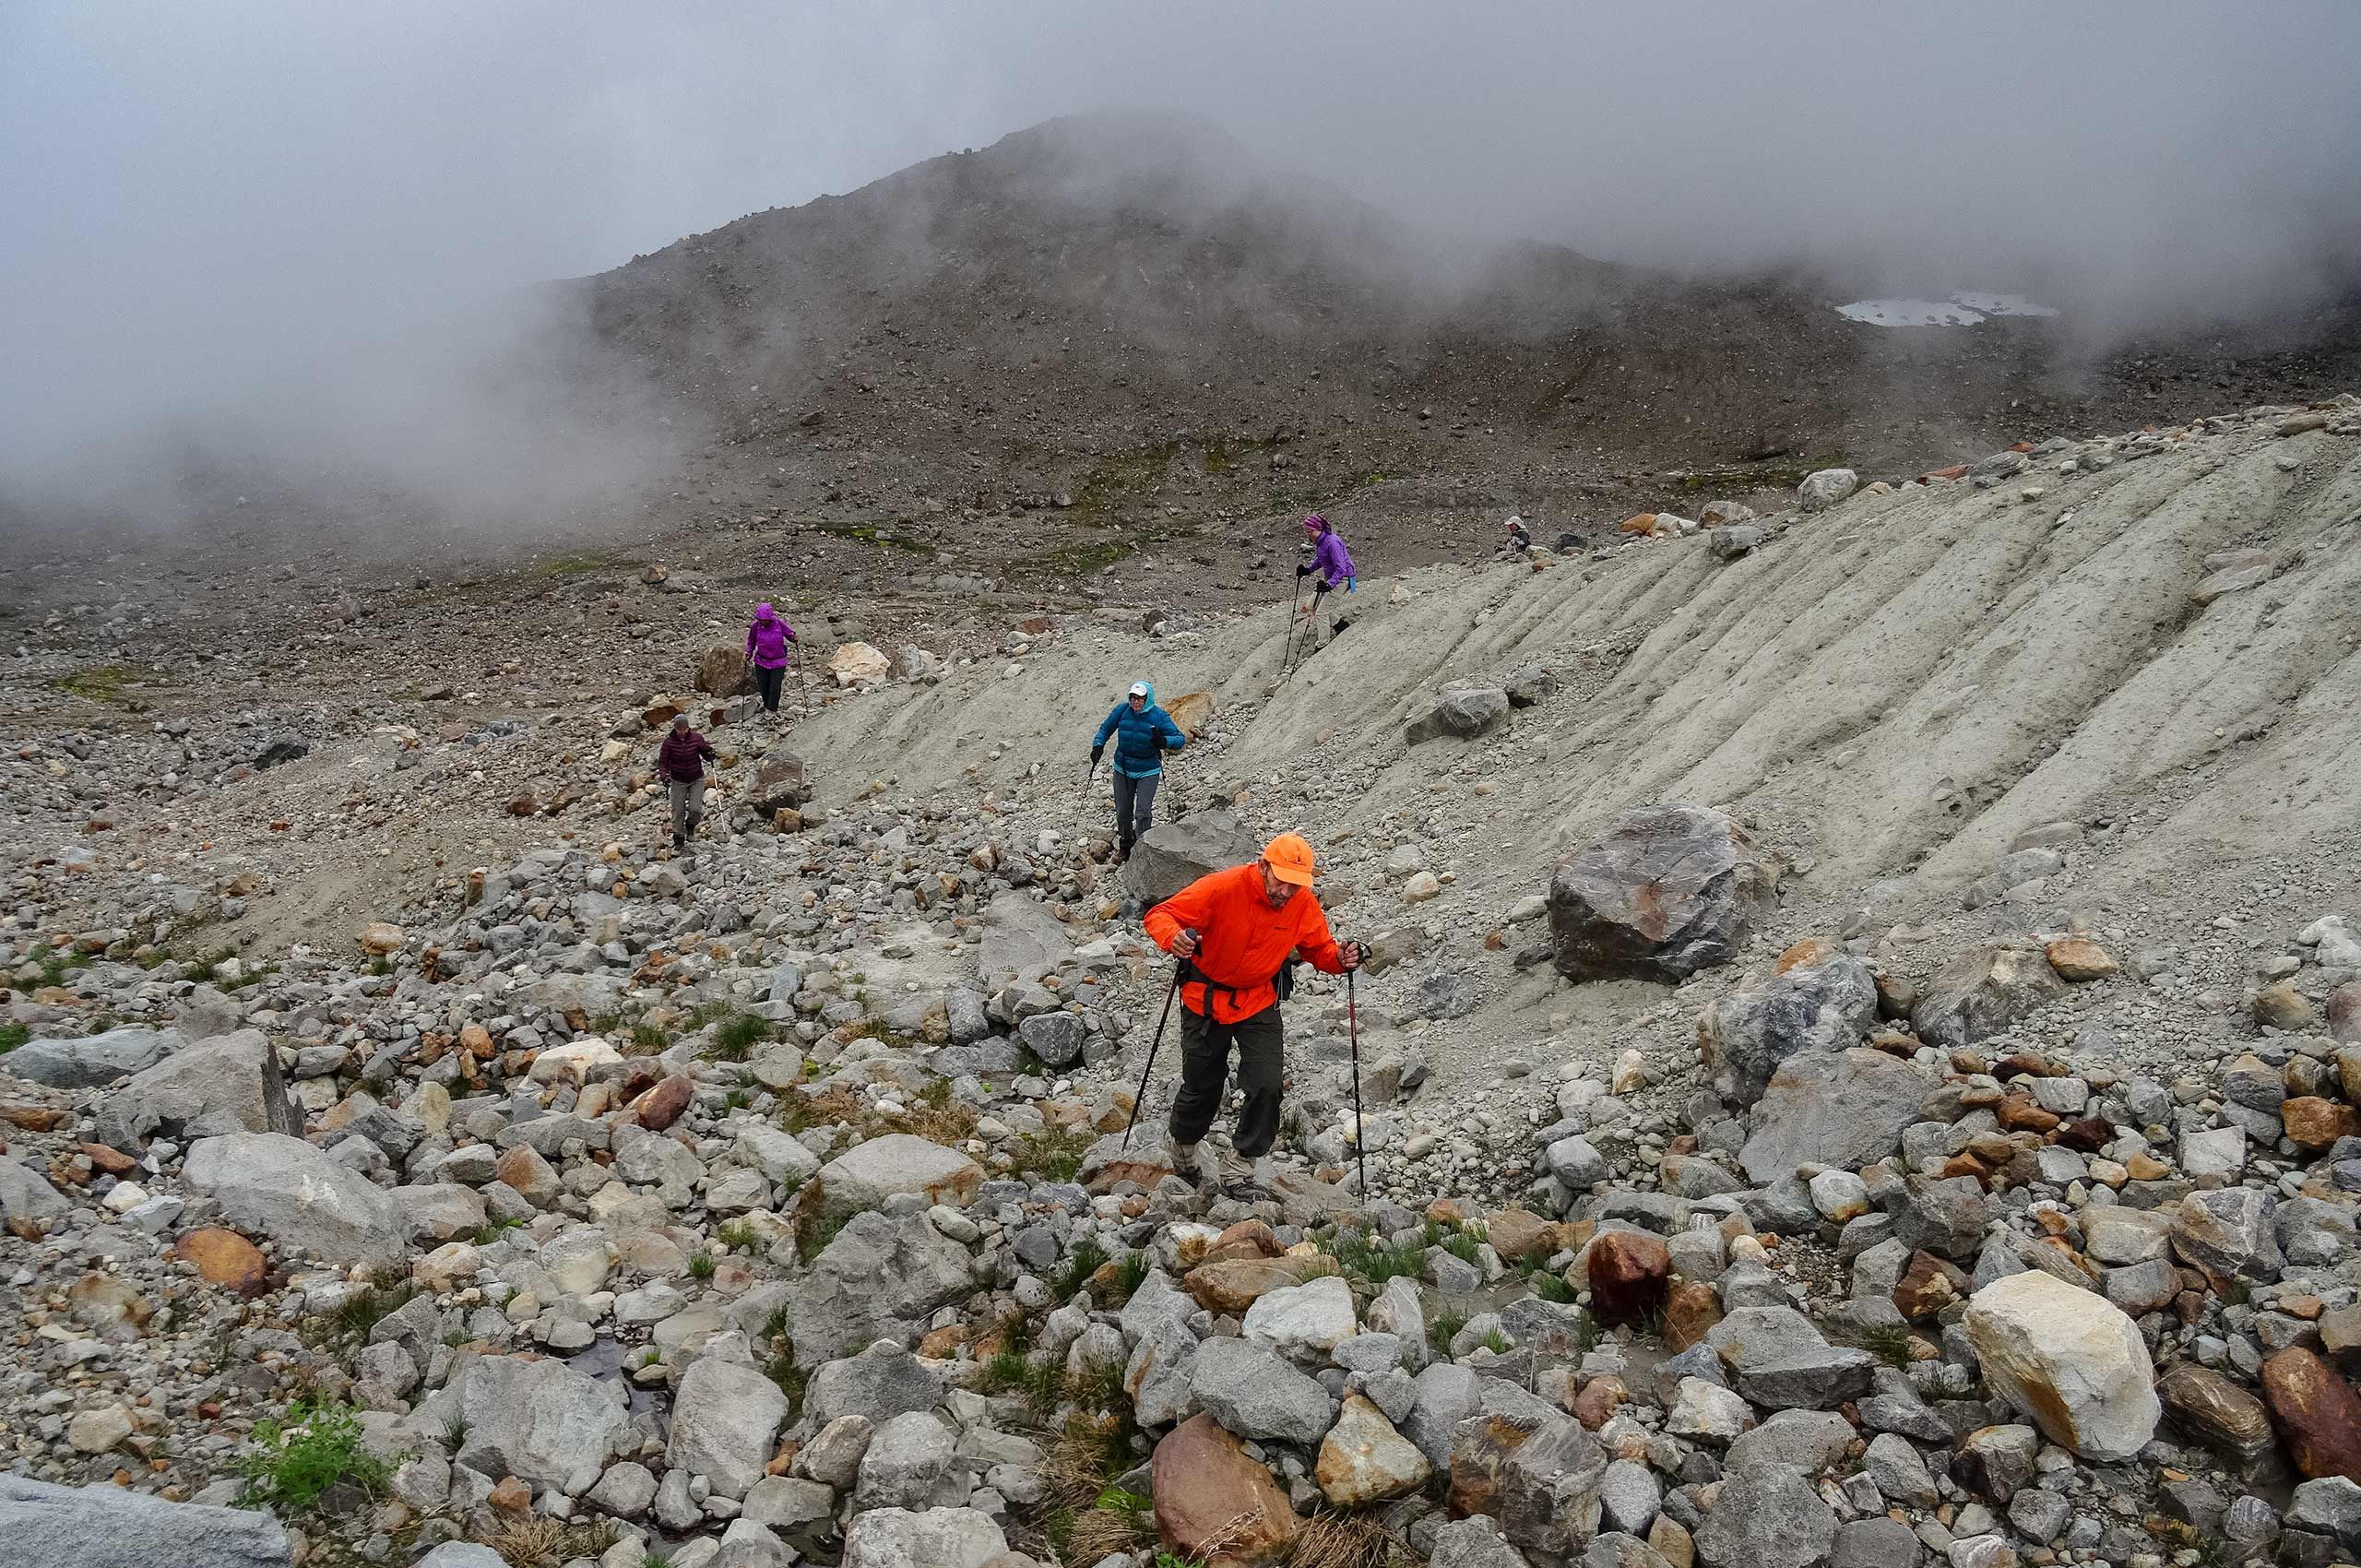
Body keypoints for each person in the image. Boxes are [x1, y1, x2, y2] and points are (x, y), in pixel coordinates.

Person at [1143, 833, 1364, 1199]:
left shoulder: (1301, 903)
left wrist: (1340, 960)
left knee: (1267, 1084)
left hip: (1260, 999)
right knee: (1202, 1084)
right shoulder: (1222, 888)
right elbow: (1161, 915)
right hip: (1205, 998)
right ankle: (1183, 1151)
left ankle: (1240, 1168)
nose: (1286, 892)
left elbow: (1319, 948)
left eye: (1296, 885)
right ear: (1263, 866)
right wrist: (1174, 938)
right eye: (1281, 881)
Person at [1091, 681, 1185, 861]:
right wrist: (1098, 745)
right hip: (1123, 767)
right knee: (1123, 811)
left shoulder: (1159, 716)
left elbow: (1179, 739)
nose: (1136, 702)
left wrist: (1164, 742)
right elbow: (1105, 728)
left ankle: (1142, 846)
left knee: (1143, 811)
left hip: (1147, 770)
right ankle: (1126, 844)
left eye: (1140, 698)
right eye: (1133, 697)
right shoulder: (1122, 710)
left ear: (1147, 698)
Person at [656, 713, 716, 849]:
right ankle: (678, 841)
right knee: (678, 810)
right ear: (675, 729)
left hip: (696, 778)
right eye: (679, 730)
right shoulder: (669, 742)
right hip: (678, 780)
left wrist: (710, 754)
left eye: (685, 729)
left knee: (695, 809)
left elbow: (706, 753)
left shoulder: (697, 738)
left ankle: (690, 827)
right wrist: (664, 775)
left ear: (688, 728)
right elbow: (663, 762)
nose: (682, 732)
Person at [743, 602, 798, 716]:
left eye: (765, 619)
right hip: (761, 661)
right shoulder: (755, 626)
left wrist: (793, 638)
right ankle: (767, 706)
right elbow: (751, 640)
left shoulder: (779, 623)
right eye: (761, 619)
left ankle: (773, 710)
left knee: (775, 686)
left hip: (778, 661)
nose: (763, 621)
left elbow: (789, 634)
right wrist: (749, 652)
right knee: (764, 686)